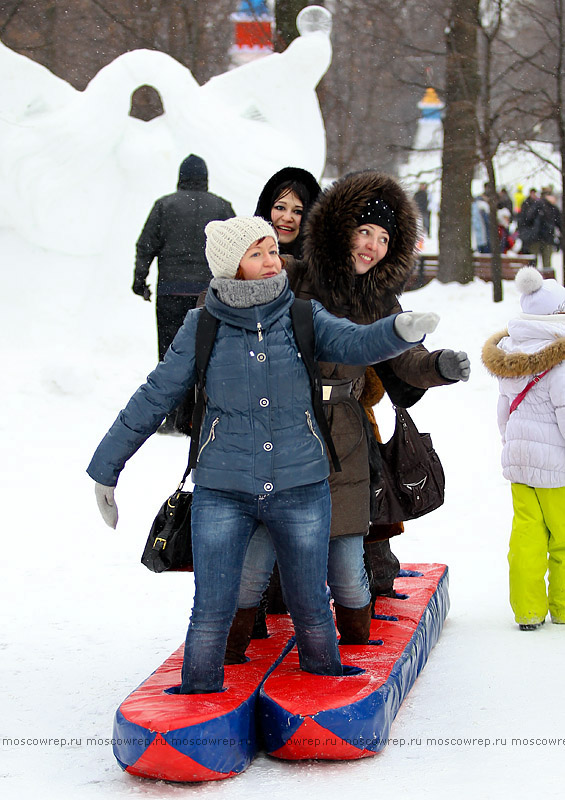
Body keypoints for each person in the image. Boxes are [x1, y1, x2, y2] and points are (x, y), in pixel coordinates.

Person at [87, 215, 439, 693]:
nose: (272, 261)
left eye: (273, 251)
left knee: (312, 604)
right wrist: (107, 469)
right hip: (223, 491)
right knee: (212, 607)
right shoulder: (201, 326)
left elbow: (356, 341)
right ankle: (200, 701)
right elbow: (154, 397)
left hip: (301, 486)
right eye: (257, 254)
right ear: (232, 267)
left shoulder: (303, 316)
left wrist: (398, 330)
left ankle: (323, 692)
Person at [226, 171, 470, 660]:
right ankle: (232, 644)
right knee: (260, 543)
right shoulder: (297, 274)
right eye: (365, 232)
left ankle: (355, 647)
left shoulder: (379, 300)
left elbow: (405, 360)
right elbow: (237, 299)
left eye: (384, 239)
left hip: (345, 433)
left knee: (345, 552)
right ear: (342, 228)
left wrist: (438, 365)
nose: (372, 246)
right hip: (284, 423)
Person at [482, 267, 565, 630]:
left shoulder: (511, 354)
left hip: (519, 460)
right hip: (557, 465)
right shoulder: (559, 362)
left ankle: (528, 610)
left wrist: (511, 443)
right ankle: (562, 606)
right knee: (562, 538)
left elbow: (504, 411)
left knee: (527, 534)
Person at [132, 153, 235, 433]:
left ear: (181, 177)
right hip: (209, 296)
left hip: (171, 292)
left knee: (170, 355)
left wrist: (139, 280)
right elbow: (238, 248)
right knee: (208, 355)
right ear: (205, 178)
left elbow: (146, 245)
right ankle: (202, 415)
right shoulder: (221, 207)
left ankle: (171, 417)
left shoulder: (164, 206)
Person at [254, 166, 321, 257]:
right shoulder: (240, 262)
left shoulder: (325, 268)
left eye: (298, 212)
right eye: (280, 208)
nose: (287, 218)